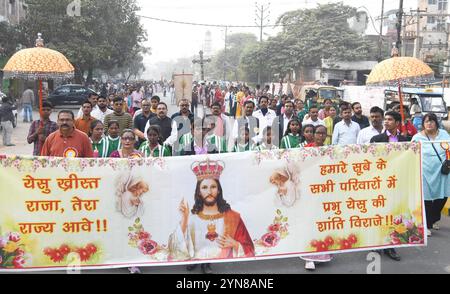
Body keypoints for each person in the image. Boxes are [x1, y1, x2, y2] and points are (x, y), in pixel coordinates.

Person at [168, 159, 255, 274]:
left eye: (213, 187)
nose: (209, 191)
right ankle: (195, 260)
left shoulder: (233, 217)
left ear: (218, 190)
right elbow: (172, 248)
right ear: (199, 191)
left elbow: (250, 248)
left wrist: (235, 244)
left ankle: (207, 263)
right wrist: (184, 220)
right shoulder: (191, 217)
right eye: (204, 187)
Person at [370, 111, 407, 262]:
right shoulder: (377, 139)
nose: (386, 122)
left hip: (397, 182)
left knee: (393, 213)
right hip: (380, 181)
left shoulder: (405, 140)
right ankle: (377, 243)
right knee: (379, 212)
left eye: (390, 120)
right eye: (385, 119)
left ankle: (390, 245)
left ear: (397, 123)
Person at [412, 113, 450, 237]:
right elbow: (411, 154)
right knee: (427, 199)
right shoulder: (417, 138)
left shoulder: (444, 135)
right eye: (427, 121)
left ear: (436, 123)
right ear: (423, 124)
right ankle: (427, 224)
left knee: (442, 196)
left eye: (432, 121)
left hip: (442, 171)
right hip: (425, 172)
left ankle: (433, 219)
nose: (429, 123)